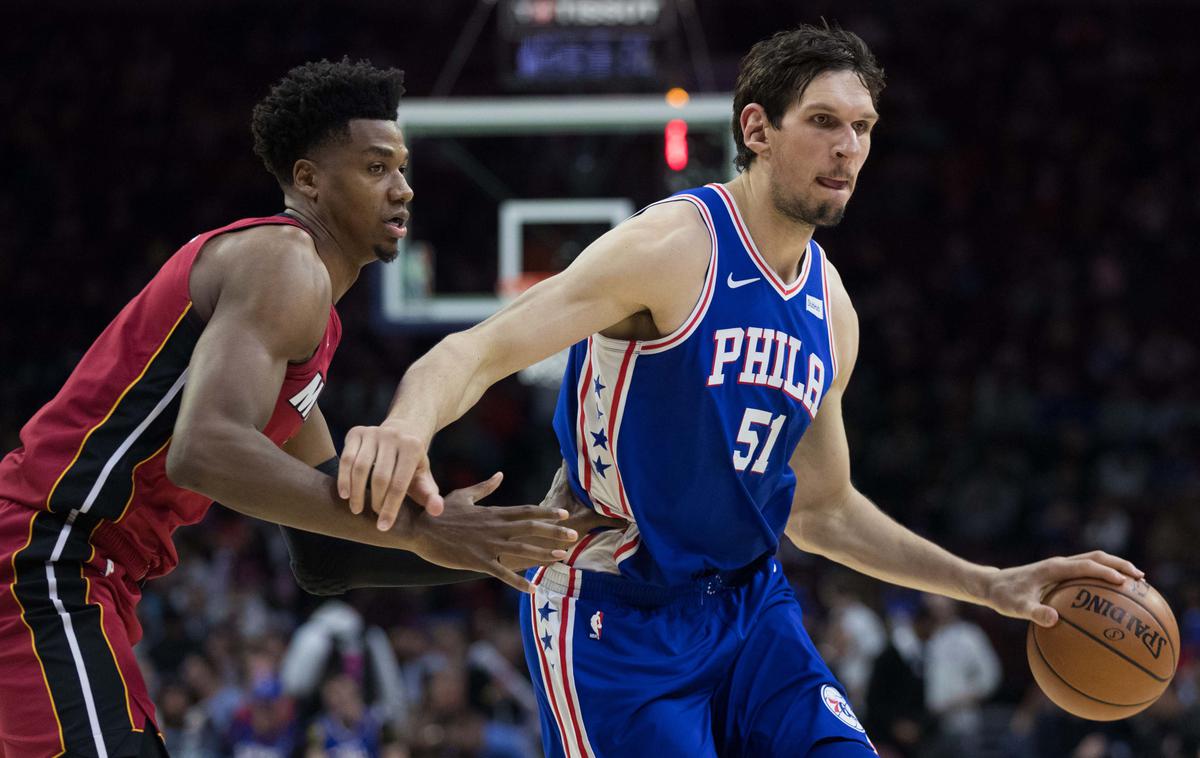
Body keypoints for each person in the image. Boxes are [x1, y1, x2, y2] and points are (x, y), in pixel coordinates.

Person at [340, 25, 1143, 757]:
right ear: (756, 129)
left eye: (862, 128)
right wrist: (407, 424)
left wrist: (988, 585)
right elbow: (477, 350)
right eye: (824, 122)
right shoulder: (671, 247)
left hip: (751, 609)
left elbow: (823, 510)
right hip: (618, 609)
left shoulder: (833, 312)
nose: (848, 148)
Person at [0, 58, 589, 757]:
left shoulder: (313, 322)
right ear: (308, 179)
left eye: (402, 168)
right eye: (376, 168)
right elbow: (206, 449)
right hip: (46, 558)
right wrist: (415, 532)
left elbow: (322, 553)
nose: (402, 189)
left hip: (88, 578)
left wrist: (476, 540)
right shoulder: (284, 262)